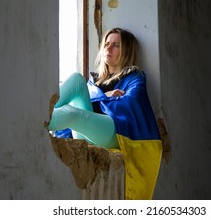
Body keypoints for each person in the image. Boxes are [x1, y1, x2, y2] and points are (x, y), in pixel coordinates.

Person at [47, 27, 162, 200]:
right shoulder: (93, 83)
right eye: (106, 44)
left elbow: (131, 106)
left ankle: (35, 122)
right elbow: (93, 105)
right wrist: (105, 96)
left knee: (73, 114)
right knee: (77, 79)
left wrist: (102, 100)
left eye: (116, 45)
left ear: (127, 51)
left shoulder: (135, 77)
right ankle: (44, 113)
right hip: (88, 133)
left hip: (117, 132)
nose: (108, 48)